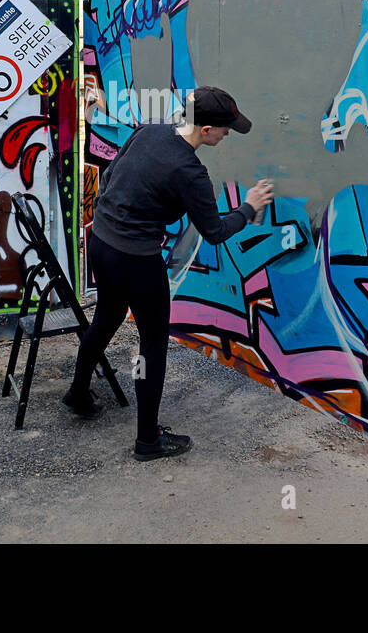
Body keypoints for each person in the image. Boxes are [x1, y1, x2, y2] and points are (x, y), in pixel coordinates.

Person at [63, 85, 274, 460]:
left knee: (106, 318)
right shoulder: (191, 172)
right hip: (137, 262)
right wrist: (248, 207)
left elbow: (110, 176)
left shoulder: (150, 130)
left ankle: (78, 395)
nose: (228, 135)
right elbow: (215, 232)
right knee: (152, 346)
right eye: (226, 129)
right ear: (206, 128)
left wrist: (126, 215)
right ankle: (147, 440)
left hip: (102, 245)